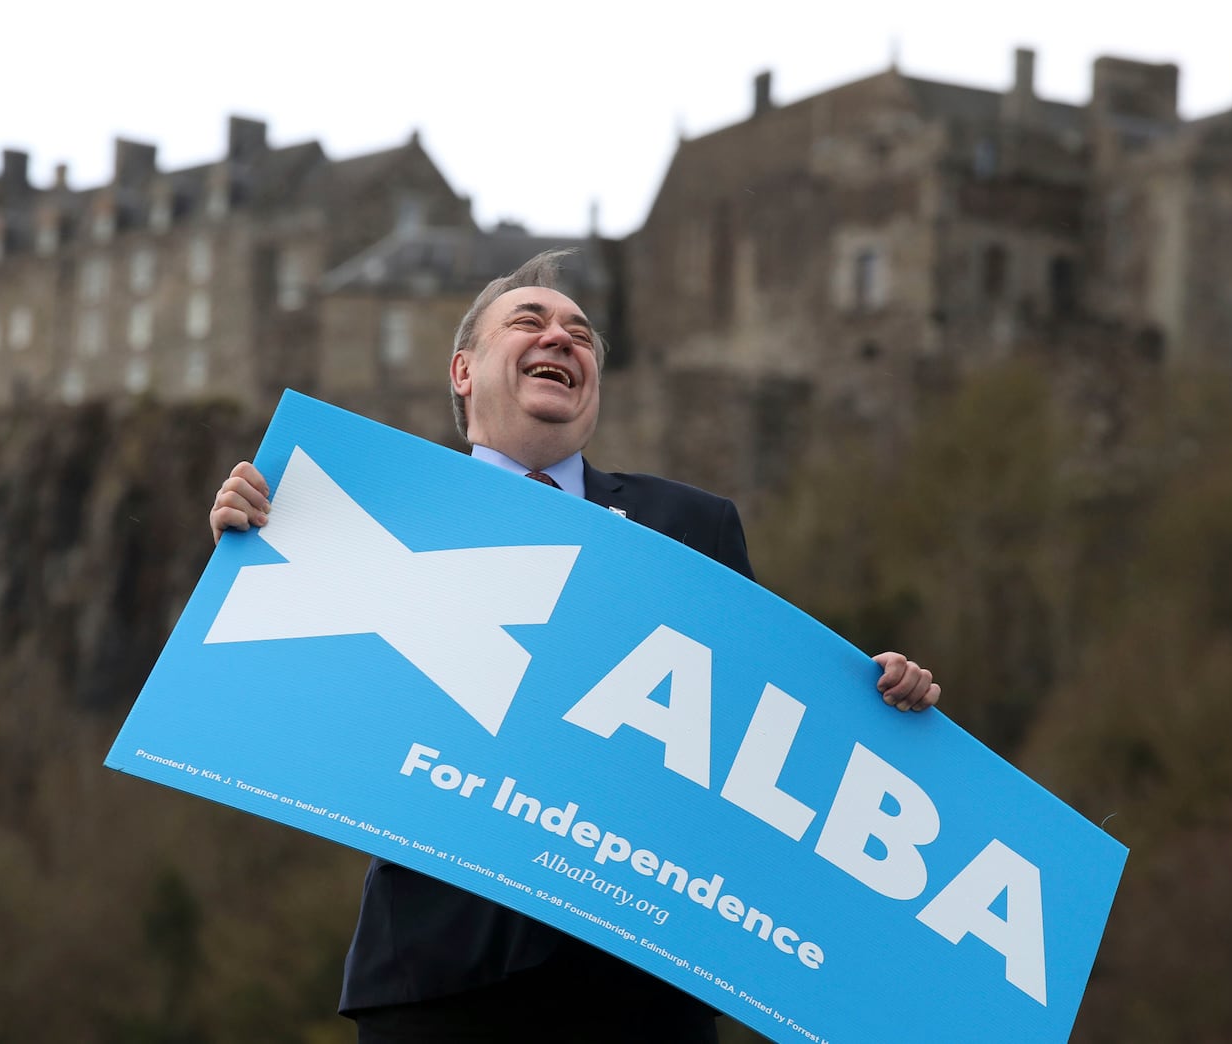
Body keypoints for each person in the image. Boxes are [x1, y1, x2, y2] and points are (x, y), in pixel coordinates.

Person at [208, 251, 940, 1043]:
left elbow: (757, 721)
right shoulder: (376, 513)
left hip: (640, 978)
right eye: (530, 321)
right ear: (463, 369)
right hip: (438, 974)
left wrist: (875, 700)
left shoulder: (694, 526)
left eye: (581, 333)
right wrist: (246, 544)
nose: (561, 337)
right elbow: (297, 700)